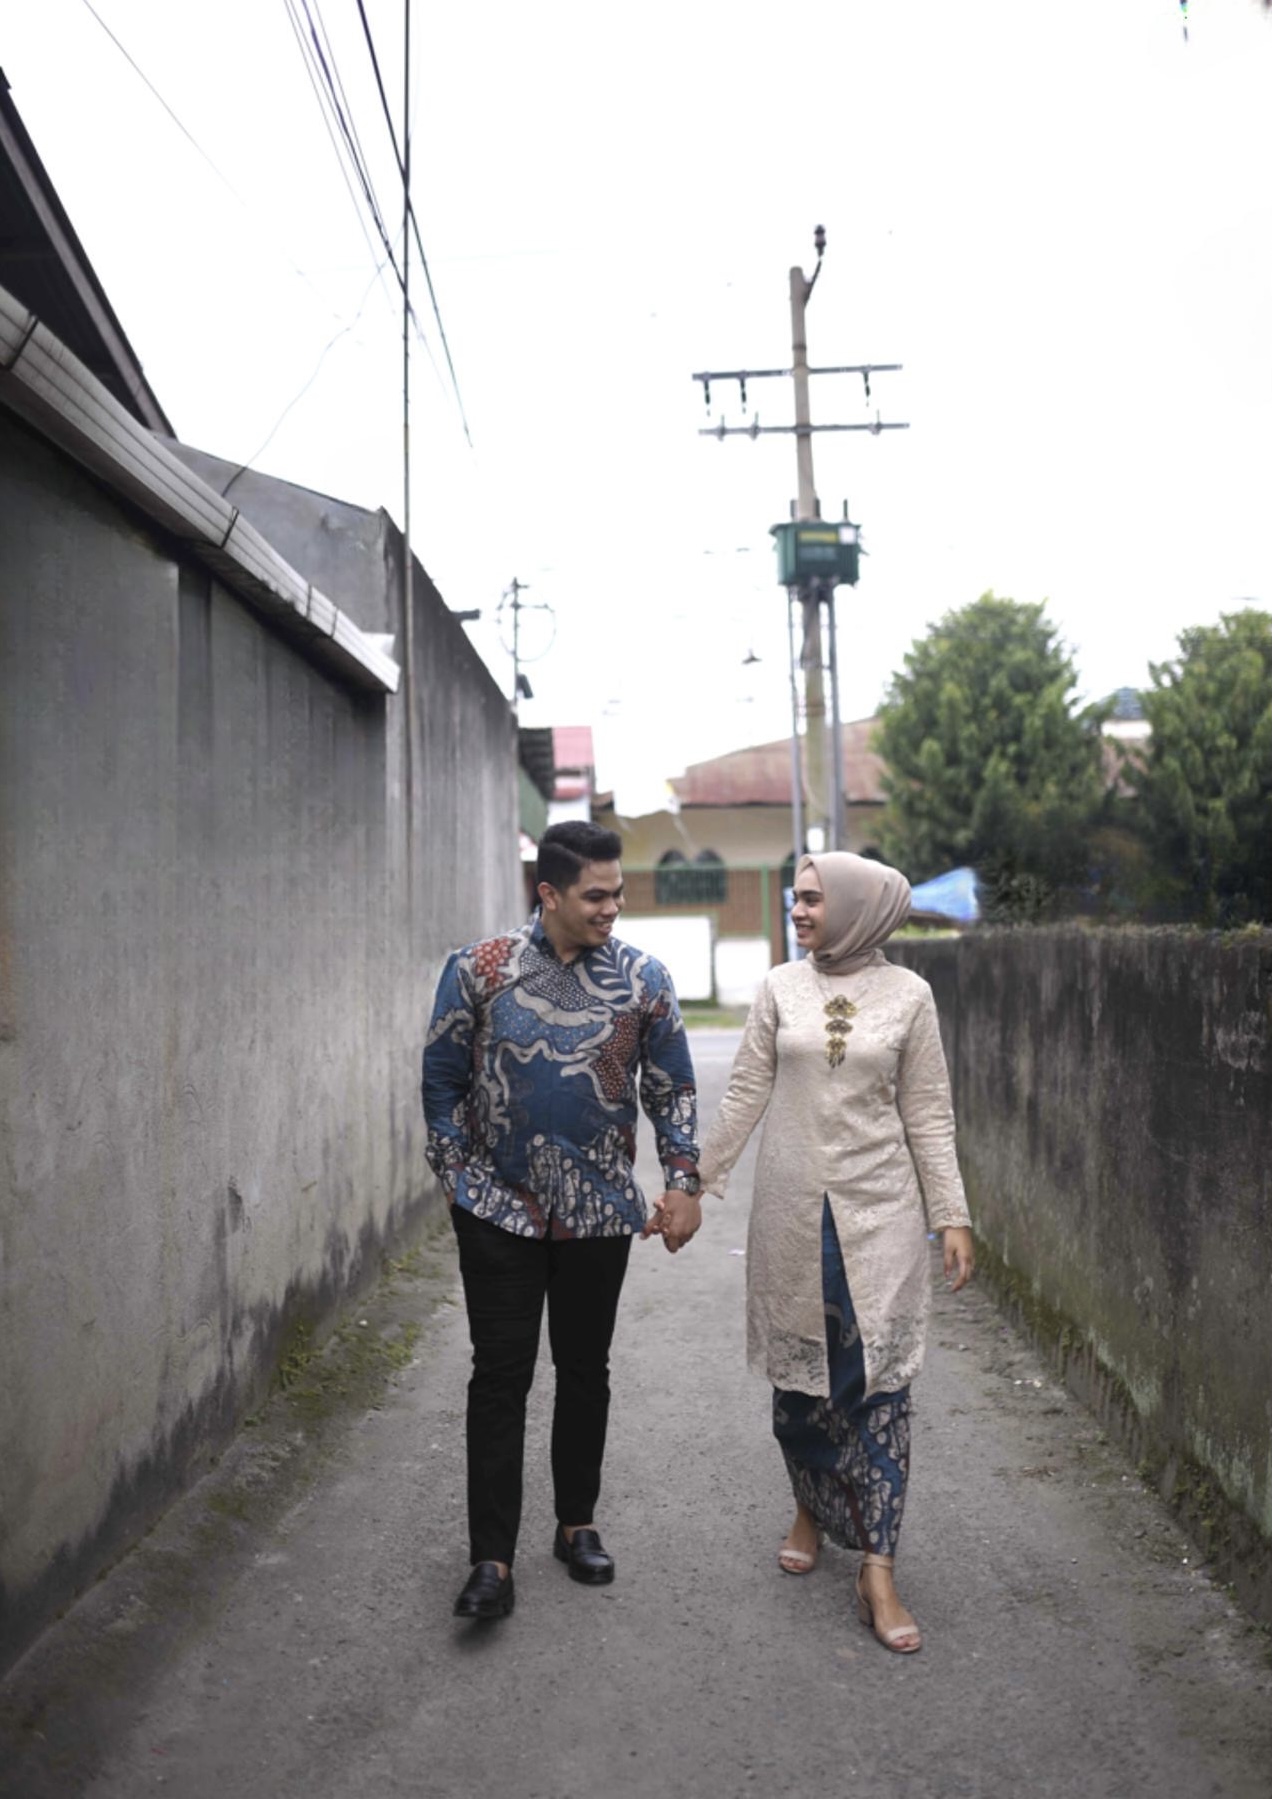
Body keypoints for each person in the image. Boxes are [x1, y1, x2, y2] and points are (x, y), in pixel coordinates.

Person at [421, 820, 702, 1622]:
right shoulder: (479, 969)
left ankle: (576, 1523)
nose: (612, 907)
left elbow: (671, 1087)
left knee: (585, 1370)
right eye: (595, 894)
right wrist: (458, 1177)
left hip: (600, 1213)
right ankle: (491, 1558)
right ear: (548, 893)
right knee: (499, 1377)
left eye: (618, 893)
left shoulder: (644, 979)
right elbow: (441, 1078)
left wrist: (684, 1181)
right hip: (495, 1211)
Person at [697, 850, 974, 1655]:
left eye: (814, 898)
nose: (800, 909)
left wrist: (952, 1213)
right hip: (792, 1216)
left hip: (881, 1217)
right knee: (800, 1387)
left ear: (856, 906)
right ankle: (809, 1508)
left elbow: (929, 1112)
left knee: (878, 1384)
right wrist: (695, 1182)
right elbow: (746, 1091)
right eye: (796, 896)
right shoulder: (780, 987)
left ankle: (878, 1569)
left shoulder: (910, 995)